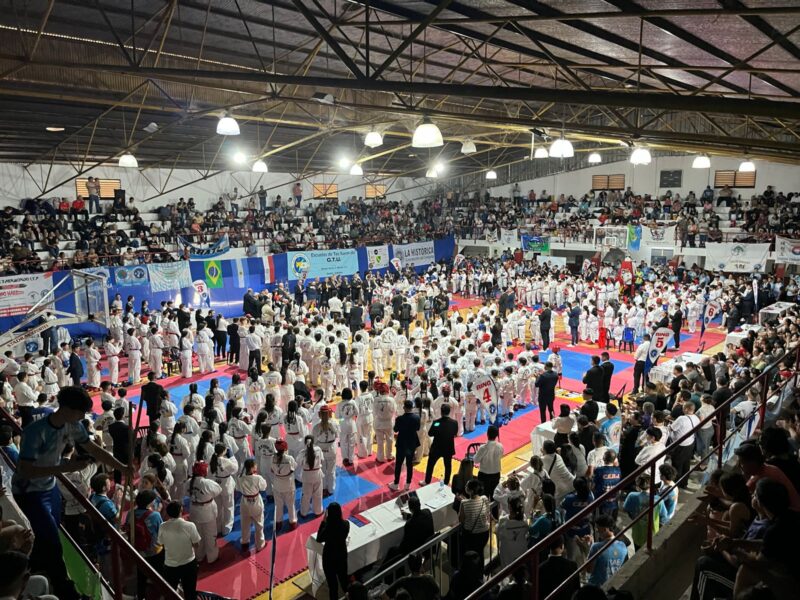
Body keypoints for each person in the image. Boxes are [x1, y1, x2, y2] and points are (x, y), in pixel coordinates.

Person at [12, 386, 131, 600]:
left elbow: (94, 449)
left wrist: (122, 467)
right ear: (66, 408)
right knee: (53, 543)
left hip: (49, 487)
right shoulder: (35, 431)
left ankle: (37, 565)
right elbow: (25, 470)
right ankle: (67, 592)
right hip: (29, 491)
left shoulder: (73, 426)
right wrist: (65, 468)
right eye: (80, 412)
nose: (82, 417)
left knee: (52, 532)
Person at [158, 500, 201, 600]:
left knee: (170, 592)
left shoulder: (163, 526)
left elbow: (160, 543)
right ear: (181, 510)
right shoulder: (190, 525)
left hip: (170, 565)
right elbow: (196, 544)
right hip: (189, 563)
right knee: (190, 592)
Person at [187, 461, 222, 564]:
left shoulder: (189, 482)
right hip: (207, 511)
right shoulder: (207, 483)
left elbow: (185, 492)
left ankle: (199, 555)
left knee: (198, 535)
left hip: (194, 509)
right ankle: (212, 557)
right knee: (210, 535)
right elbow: (218, 490)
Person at [317, 502, 350, 600]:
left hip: (329, 558)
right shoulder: (346, 524)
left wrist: (323, 522)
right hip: (341, 555)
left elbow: (319, 538)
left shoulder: (328, 529)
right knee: (344, 581)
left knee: (333, 586)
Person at [586, 514, 627, 587]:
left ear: (605, 529)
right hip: (613, 586)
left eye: (598, 528)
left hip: (597, 587)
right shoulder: (623, 546)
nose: (597, 530)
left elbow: (589, 570)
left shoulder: (596, 547)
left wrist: (588, 547)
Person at [424, 403, 458, 486]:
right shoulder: (454, 422)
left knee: (430, 464)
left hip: (437, 447)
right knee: (448, 466)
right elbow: (455, 433)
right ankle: (446, 482)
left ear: (441, 412)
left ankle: (427, 481)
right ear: (449, 412)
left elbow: (430, 433)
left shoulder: (436, 423)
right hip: (448, 447)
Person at [237, 458, 267, 551]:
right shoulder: (257, 478)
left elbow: (237, 488)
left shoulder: (240, 478)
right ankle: (260, 545)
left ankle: (245, 542)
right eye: (255, 465)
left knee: (245, 524)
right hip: (256, 502)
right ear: (252, 467)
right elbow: (263, 488)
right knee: (259, 524)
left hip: (245, 502)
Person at [539, 534, 580, 600]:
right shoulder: (572, 565)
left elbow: (539, 594)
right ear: (562, 546)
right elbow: (577, 590)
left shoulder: (541, 568)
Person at [458, 479, 491, 557]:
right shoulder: (484, 498)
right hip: (485, 533)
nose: (465, 487)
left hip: (472, 535)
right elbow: (487, 512)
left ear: (471, 491)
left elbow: (461, 519)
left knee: (472, 556)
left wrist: (465, 502)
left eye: (467, 486)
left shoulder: (464, 503)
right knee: (480, 553)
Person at [271, 439, 298, 531]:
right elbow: (293, 468)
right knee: (290, 504)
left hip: (277, 483)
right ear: (286, 448)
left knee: (278, 504)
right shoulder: (289, 458)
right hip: (288, 483)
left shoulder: (273, 457)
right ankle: (292, 522)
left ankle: (278, 522)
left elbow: (272, 470)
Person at [496, 496, 528, 568]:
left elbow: (499, 535)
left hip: (507, 550)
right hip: (521, 548)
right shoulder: (524, 518)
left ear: (509, 507)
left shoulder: (503, 520)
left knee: (508, 571)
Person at [474, 425, 503, 500]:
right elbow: (500, 456)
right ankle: (495, 511)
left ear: (487, 434)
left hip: (484, 475)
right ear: (496, 435)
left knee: (484, 498)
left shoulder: (483, 448)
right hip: (496, 474)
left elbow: (476, 460)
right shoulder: (500, 446)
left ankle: (485, 511)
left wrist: (477, 453)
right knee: (494, 497)